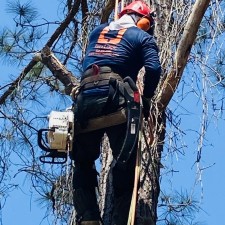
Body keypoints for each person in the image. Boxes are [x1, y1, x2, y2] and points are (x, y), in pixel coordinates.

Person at [72, 1, 161, 224]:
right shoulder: (142, 37)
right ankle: (120, 220)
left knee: (82, 162)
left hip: (85, 98)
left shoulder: (97, 31)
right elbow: (153, 69)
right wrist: (147, 98)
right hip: (115, 99)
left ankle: (89, 217)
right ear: (142, 21)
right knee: (125, 163)